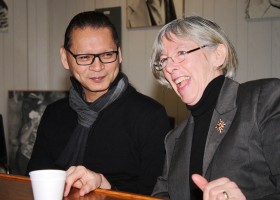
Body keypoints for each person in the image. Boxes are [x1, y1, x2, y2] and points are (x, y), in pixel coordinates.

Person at [26, 11, 171, 197]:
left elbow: (157, 195)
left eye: (107, 54)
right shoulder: (54, 114)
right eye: (85, 57)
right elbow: (33, 183)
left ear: (119, 55)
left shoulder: (149, 116)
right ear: (65, 57)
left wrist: (106, 186)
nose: (97, 67)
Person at [149, 16, 280, 199]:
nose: (169, 67)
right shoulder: (174, 139)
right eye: (164, 60)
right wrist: (108, 190)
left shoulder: (263, 100)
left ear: (218, 55)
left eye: (181, 53)